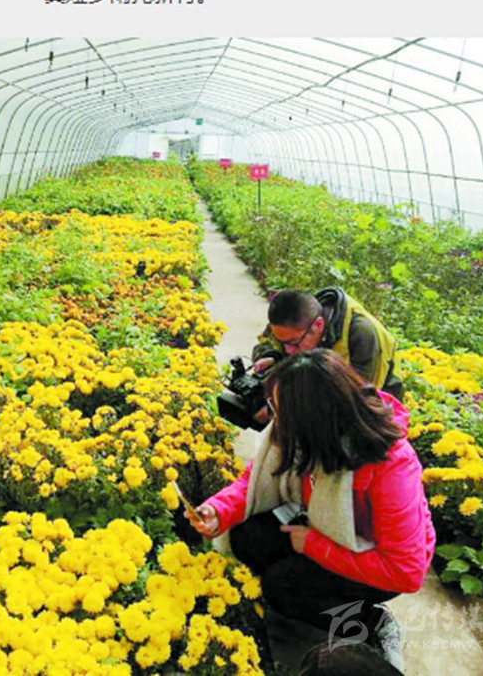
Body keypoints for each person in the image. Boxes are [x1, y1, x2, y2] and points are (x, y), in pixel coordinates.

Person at [186, 349, 435, 672]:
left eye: (278, 409)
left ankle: (370, 623)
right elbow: (254, 482)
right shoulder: (302, 436)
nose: (271, 417)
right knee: (248, 536)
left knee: (282, 586)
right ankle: (305, 585)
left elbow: (406, 571)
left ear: (313, 418)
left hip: (373, 558)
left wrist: (315, 546)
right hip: (321, 525)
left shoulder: (391, 464)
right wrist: (217, 510)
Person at [249, 287, 402, 426]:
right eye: (282, 343)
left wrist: (281, 409)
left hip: (377, 405)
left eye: (293, 343)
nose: (288, 350)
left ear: (318, 325)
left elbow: (360, 400)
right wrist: (272, 356)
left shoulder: (362, 334)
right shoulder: (295, 318)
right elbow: (265, 343)